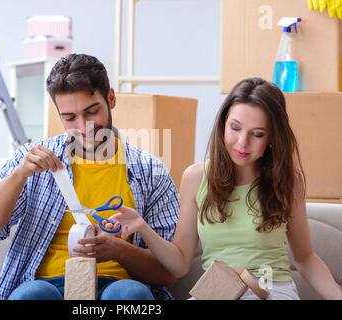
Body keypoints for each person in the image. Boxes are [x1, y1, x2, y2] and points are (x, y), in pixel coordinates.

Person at [0, 53, 179, 300]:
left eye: (92, 112)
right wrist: (19, 174)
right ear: (59, 115)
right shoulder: (32, 161)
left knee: (130, 294)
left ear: (111, 98)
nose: (84, 126)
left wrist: (118, 250)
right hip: (46, 286)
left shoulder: (150, 172)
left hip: (116, 287)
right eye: (70, 118)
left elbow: (168, 274)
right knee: (32, 296)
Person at [107, 77, 342, 300]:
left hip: (272, 290)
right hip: (218, 291)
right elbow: (179, 263)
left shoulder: (288, 181)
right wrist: (142, 227)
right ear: (222, 124)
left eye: (257, 134)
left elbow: (306, 258)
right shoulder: (196, 177)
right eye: (235, 128)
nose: (242, 143)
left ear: (272, 138)